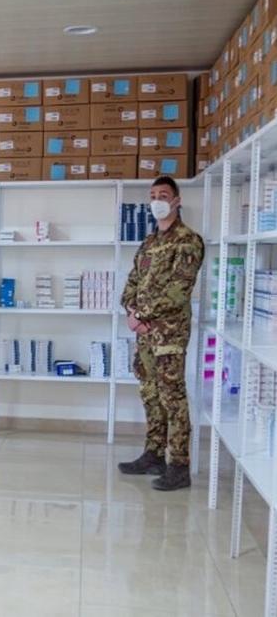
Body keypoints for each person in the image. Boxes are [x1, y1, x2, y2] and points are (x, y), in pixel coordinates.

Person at [119, 176, 205, 491]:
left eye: (164, 195)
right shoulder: (149, 242)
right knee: (150, 392)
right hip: (144, 333)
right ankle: (154, 454)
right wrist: (131, 311)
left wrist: (141, 315)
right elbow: (132, 281)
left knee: (172, 396)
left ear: (177, 200)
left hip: (169, 334)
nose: (157, 200)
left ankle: (178, 466)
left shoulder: (188, 240)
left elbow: (179, 290)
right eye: (153, 195)